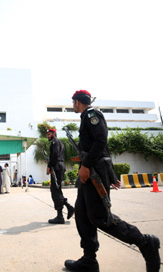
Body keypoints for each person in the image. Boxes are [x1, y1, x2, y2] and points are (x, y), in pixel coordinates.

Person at [64, 90, 160, 272]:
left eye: (73, 102)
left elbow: (101, 142)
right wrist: (109, 173)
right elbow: (101, 149)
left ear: (77, 102)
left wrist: (86, 165)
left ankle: (145, 242)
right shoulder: (86, 117)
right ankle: (89, 260)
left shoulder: (92, 115)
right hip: (90, 171)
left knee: (100, 217)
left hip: (93, 172)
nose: (73, 105)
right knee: (83, 215)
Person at [47, 128, 75, 225]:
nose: (48, 136)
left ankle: (60, 216)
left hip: (57, 168)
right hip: (59, 167)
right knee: (57, 190)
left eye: (49, 134)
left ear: (54, 134)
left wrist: (49, 166)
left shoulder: (55, 142)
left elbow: (54, 155)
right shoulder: (59, 142)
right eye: (47, 134)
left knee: (55, 191)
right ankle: (68, 207)